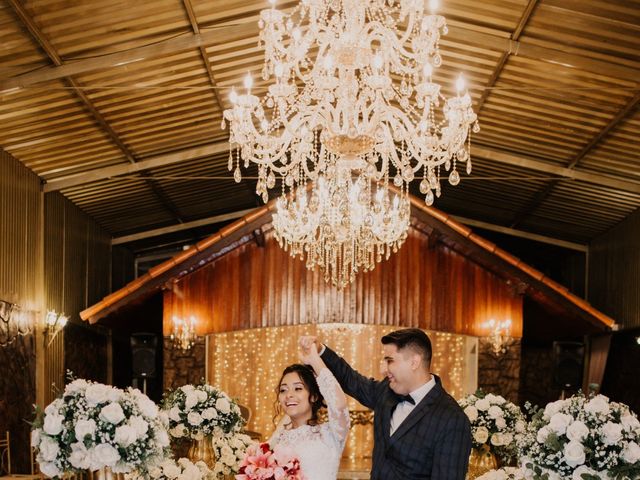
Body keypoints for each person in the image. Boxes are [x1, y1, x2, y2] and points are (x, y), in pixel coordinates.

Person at [300, 328, 471, 480]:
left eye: (390, 360)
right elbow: (351, 379)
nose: (383, 369)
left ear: (414, 362)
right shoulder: (386, 391)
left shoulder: (452, 419)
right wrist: (320, 351)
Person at [268, 340, 350, 480]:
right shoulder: (279, 437)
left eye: (298, 388)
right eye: (283, 390)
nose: (289, 395)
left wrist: (315, 360)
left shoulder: (330, 433)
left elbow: (340, 405)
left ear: (313, 396)